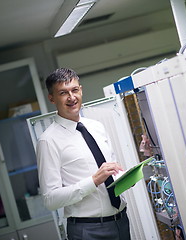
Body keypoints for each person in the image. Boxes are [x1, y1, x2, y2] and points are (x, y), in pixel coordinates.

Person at [36, 68, 130, 240]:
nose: (71, 97)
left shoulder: (96, 127)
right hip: (87, 231)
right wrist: (93, 181)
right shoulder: (48, 141)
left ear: (81, 90)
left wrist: (124, 179)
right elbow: (50, 199)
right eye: (63, 93)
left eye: (75, 90)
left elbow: (110, 171)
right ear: (52, 98)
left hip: (122, 221)